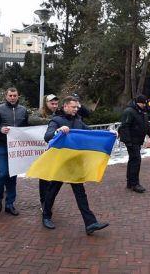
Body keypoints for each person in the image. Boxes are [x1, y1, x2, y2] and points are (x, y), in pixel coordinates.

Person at [41, 96, 109, 235]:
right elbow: (47, 136)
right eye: (73, 107)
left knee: (80, 193)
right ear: (65, 106)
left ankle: (90, 223)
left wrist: (108, 134)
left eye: (77, 107)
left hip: (74, 164)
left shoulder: (78, 120)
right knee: (52, 190)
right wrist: (58, 130)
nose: (76, 109)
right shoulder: (57, 120)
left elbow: (91, 133)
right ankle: (46, 216)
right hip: (60, 163)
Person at [0, 87, 29, 216]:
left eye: (15, 95)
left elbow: (26, 128)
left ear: (18, 96)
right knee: (3, 173)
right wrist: (0, 129)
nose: (12, 97)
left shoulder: (23, 110)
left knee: (13, 175)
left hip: (17, 147)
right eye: (10, 95)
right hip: (2, 145)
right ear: (6, 96)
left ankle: (10, 204)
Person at [118, 95, 150, 193]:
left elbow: (146, 126)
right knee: (136, 161)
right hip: (132, 141)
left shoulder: (142, 112)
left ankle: (130, 182)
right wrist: (128, 142)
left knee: (133, 161)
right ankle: (135, 183)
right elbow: (124, 127)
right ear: (140, 103)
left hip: (137, 141)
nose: (145, 105)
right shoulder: (129, 111)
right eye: (144, 103)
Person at [29, 94, 60, 207]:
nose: (54, 106)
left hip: (55, 150)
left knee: (54, 177)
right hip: (42, 150)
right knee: (44, 177)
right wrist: (50, 121)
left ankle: (49, 200)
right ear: (46, 103)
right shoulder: (40, 112)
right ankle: (44, 201)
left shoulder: (59, 113)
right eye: (52, 103)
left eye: (56, 104)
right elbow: (31, 119)